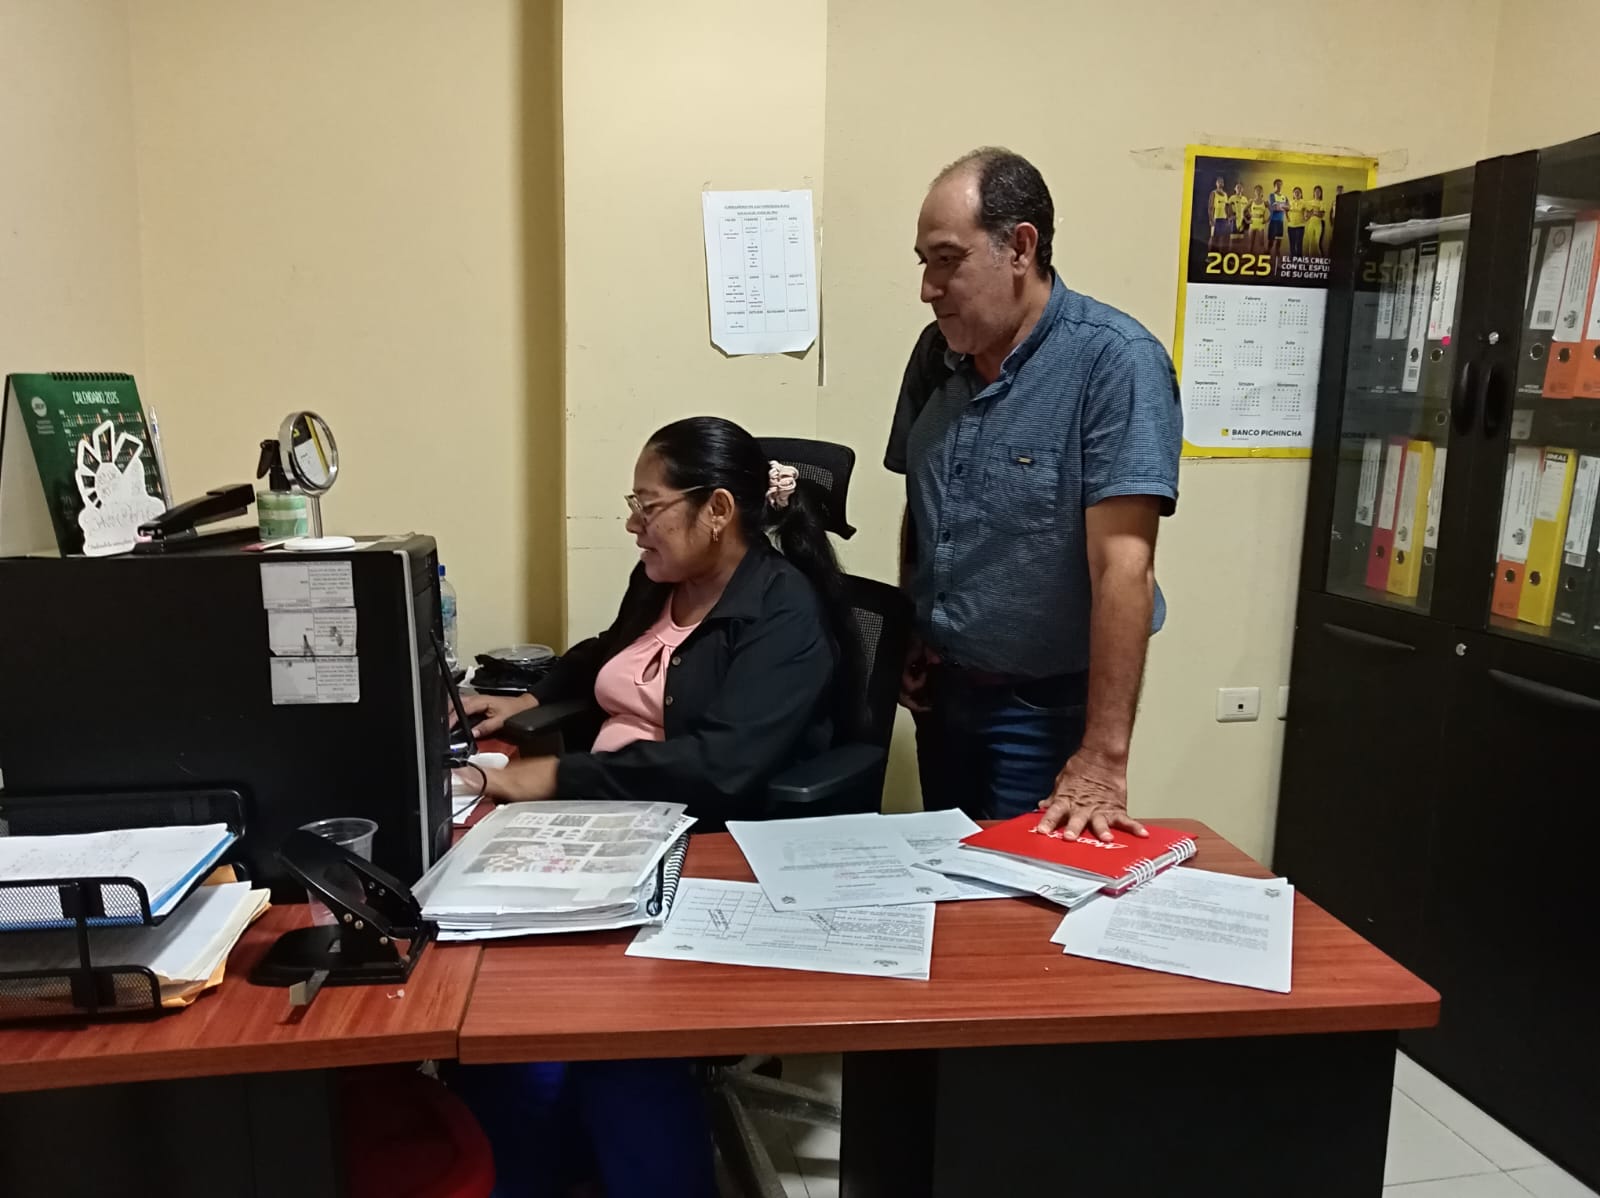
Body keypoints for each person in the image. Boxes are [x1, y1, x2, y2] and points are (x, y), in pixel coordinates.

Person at [454, 415, 853, 1198]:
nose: (635, 525)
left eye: (650, 506)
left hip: (706, 843)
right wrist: (527, 699)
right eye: (632, 506)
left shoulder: (782, 613)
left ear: (717, 510)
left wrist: (548, 779)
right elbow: (608, 651)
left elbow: (722, 766)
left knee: (606, 1049)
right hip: (603, 823)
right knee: (495, 1011)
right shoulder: (662, 580)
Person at [887, 147, 1182, 843]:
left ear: (1020, 247)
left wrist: (1103, 758)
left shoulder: (1114, 361)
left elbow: (1125, 568)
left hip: (1044, 711)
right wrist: (911, 627)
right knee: (950, 879)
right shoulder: (936, 355)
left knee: (1027, 893)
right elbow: (924, 505)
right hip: (944, 697)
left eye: (947, 260)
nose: (928, 288)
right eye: (924, 263)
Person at [1267, 178, 1289, 261]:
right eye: (1277, 185)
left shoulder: (1284, 197)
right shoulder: (1272, 195)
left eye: (1280, 185)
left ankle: (1277, 262)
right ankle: (1266, 261)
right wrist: (1283, 206)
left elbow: (1288, 207)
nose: (1279, 186)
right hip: (1273, 222)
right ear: (1274, 186)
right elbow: (1275, 207)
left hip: (1280, 222)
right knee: (1271, 243)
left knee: (1278, 244)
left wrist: (1280, 206)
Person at [1208, 175, 1231, 250]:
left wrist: (1228, 218)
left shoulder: (1225, 194)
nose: (1220, 183)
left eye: (1222, 182)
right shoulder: (1213, 193)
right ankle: (1211, 253)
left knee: (1222, 238)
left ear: (1223, 184)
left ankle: (1219, 253)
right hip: (1216, 218)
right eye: (1219, 182)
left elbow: (1226, 207)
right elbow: (1210, 207)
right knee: (1213, 238)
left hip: (1223, 219)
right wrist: (1211, 219)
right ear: (1216, 183)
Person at [1247, 185, 1271, 253]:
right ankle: (1249, 257)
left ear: (1262, 191)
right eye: (1257, 190)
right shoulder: (1251, 201)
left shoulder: (1265, 202)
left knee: (1261, 243)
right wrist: (1247, 220)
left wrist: (1266, 220)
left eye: (1260, 190)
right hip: (1253, 222)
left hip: (1260, 223)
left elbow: (1272, 212)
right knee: (1251, 243)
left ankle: (1262, 257)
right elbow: (1244, 210)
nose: (1258, 191)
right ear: (1254, 192)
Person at [1305, 185, 1327, 256]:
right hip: (1311, 224)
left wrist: (1313, 212)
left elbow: (1321, 215)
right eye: (1316, 191)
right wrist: (1316, 212)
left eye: (1319, 192)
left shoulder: (1322, 202)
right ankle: (1310, 260)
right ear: (1314, 192)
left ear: (1321, 193)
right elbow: (1307, 215)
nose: (1317, 193)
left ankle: (1321, 260)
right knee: (1310, 243)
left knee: (1318, 243)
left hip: (1319, 224)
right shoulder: (1309, 202)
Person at [1287, 185, 1308, 258]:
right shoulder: (1290, 202)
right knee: (1292, 244)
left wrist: (1306, 218)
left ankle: (1299, 260)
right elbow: (1286, 211)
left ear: (1301, 194)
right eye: (1295, 192)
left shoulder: (1304, 202)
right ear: (1293, 194)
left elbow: (1308, 212)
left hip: (1300, 226)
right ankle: (1292, 260)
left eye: (1298, 192)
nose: (1297, 193)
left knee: (1299, 244)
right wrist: (1287, 218)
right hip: (1291, 226)